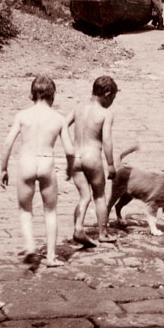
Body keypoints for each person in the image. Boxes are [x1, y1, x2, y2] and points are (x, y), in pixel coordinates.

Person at [0, 76, 74, 267]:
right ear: (53, 95)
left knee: (25, 209)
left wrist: (3, 168)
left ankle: (31, 247)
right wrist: (70, 167)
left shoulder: (23, 115)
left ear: (32, 94)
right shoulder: (58, 118)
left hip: (26, 162)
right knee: (50, 211)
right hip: (46, 164)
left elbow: (8, 142)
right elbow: (70, 150)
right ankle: (50, 256)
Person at [67, 75, 119, 247]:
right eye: (112, 98)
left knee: (84, 196)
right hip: (92, 157)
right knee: (99, 196)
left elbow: (62, 125)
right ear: (107, 93)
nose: (112, 102)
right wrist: (110, 164)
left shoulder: (78, 108)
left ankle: (78, 228)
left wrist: (68, 147)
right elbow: (107, 140)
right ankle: (103, 233)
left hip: (76, 157)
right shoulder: (105, 113)